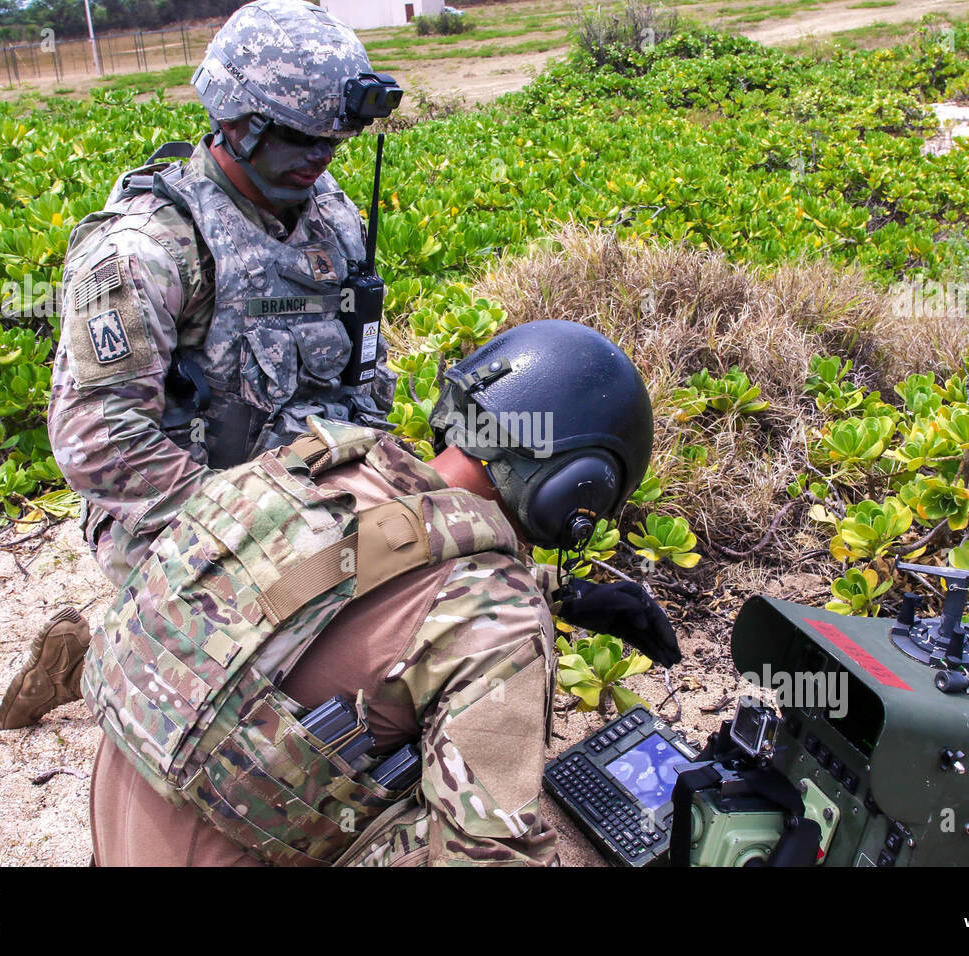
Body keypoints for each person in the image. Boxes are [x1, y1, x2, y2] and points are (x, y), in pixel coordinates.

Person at [83, 320, 681, 866]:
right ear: (577, 487)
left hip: (116, 829)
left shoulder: (312, 464)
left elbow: (341, 572)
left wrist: (561, 594)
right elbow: (488, 857)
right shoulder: (502, 624)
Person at [0, 0, 402, 730]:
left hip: (307, 487)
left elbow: (363, 367)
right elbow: (97, 439)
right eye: (300, 140)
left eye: (334, 143)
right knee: (248, 708)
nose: (321, 158)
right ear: (240, 124)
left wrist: (378, 476)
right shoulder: (141, 250)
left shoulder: (330, 214)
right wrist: (245, 536)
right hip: (179, 511)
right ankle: (93, 663)